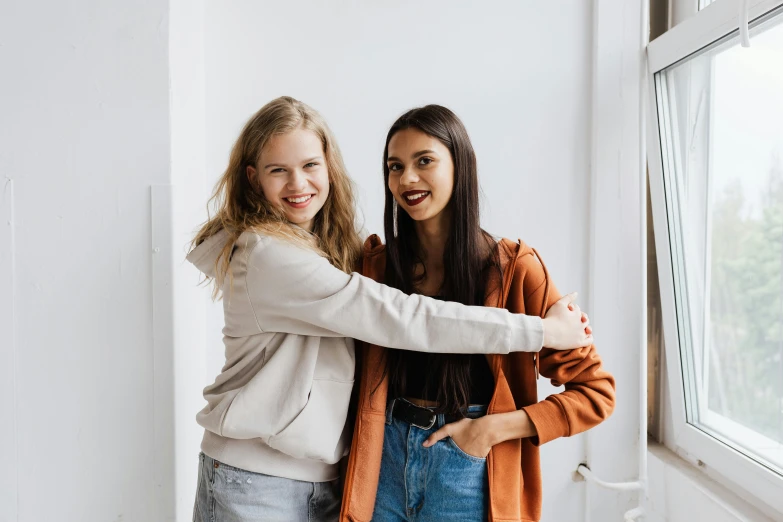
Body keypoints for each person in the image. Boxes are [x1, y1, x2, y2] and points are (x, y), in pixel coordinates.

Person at [340, 105, 615, 522]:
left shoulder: (516, 268)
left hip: (466, 469)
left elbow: (596, 394)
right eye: (395, 166)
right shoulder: (375, 266)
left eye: (424, 161)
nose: (406, 179)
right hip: (384, 459)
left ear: (461, 165)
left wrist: (490, 430)